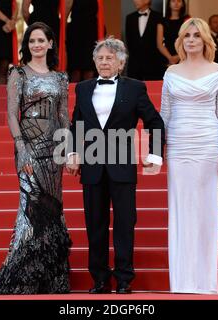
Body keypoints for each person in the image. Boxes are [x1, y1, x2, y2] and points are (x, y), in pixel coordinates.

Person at [66, 37, 165, 294]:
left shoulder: (134, 88)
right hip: (92, 166)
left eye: (110, 58)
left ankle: (123, 279)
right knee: (95, 224)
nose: (104, 62)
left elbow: (155, 122)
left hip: (122, 165)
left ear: (121, 62)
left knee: (124, 224)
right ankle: (99, 279)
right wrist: (73, 152)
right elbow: (76, 123)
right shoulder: (84, 88)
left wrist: (154, 155)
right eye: (100, 58)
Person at [0, 22, 72, 294]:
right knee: (30, 205)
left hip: (53, 152)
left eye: (41, 40)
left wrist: (68, 149)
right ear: (28, 45)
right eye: (32, 41)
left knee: (53, 209)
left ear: (50, 44)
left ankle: (50, 276)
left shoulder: (60, 78)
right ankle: (21, 276)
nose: (36, 45)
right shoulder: (18, 73)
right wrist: (20, 144)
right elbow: (12, 113)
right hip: (29, 147)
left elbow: (63, 117)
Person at [160, 18, 218, 294]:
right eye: (186, 35)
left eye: (196, 35)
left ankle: (204, 281)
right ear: (181, 40)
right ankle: (182, 281)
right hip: (178, 144)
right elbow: (164, 114)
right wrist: (157, 149)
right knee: (179, 208)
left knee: (204, 209)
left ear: (205, 40)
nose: (191, 40)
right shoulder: (171, 72)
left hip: (207, 142)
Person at [126, 0, 165, 80]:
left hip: (154, 65)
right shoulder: (130, 18)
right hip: (134, 66)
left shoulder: (158, 17)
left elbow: (161, 41)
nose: (135, 1)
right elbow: (129, 42)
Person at [66, 0, 102, 82]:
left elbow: (99, 13)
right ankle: (75, 92)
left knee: (90, 66)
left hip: (92, 32)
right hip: (76, 32)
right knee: (75, 68)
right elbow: (66, 11)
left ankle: (90, 92)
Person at [157, 0, 190, 71]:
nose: (176, 3)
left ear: (183, 4)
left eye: (179, 1)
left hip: (184, 56)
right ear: (169, 4)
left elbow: (189, 40)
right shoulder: (162, 21)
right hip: (166, 58)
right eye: (173, 1)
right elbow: (159, 44)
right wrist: (170, 58)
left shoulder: (187, 19)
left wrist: (178, 56)